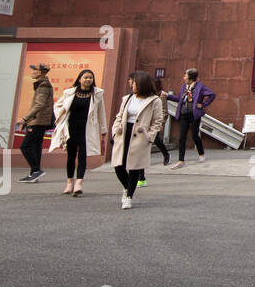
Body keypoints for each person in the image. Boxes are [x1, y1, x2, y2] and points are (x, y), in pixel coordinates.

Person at [111, 71, 165, 210]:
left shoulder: (154, 100)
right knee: (118, 166)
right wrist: (115, 131)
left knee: (134, 167)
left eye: (133, 82)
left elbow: (158, 121)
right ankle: (127, 187)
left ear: (140, 84)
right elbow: (119, 115)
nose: (131, 84)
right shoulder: (128, 98)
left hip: (140, 136)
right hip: (124, 133)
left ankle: (128, 196)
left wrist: (149, 136)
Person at [49, 69, 107, 197]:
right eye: (85, 77)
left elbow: (101, 112)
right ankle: (69, 182)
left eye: (90, 78)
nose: (88, 80)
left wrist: (103, 130)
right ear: (79, 79)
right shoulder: (69, 93)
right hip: (71, 128)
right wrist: (62, 113)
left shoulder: (97, 94)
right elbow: (57, 106)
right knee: (71, 156)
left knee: (82, 156)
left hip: (87, 129)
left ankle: (79, 183)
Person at [161, 68, 216, 168]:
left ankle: (201, 153)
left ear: (191, 77)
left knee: (195, 135)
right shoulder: (184, 87)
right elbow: (179, 99)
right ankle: (181, 161)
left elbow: (212, 94)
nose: (184, 77)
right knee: (182, 137)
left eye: (185, 75)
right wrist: (167, 95)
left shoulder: (200, 87)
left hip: (194, 114)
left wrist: (203, 104)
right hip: (183, 114)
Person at [18, 64, 55, 182]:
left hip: (39, 121)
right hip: (38, 120)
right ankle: (34, 174)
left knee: (25, 146)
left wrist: (24, 118)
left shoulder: (43, 85)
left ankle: (36, 170)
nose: (32, 72)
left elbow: (39, 104)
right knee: (35, 146)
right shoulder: (42, 84)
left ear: (39, 72)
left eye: (34, 70)